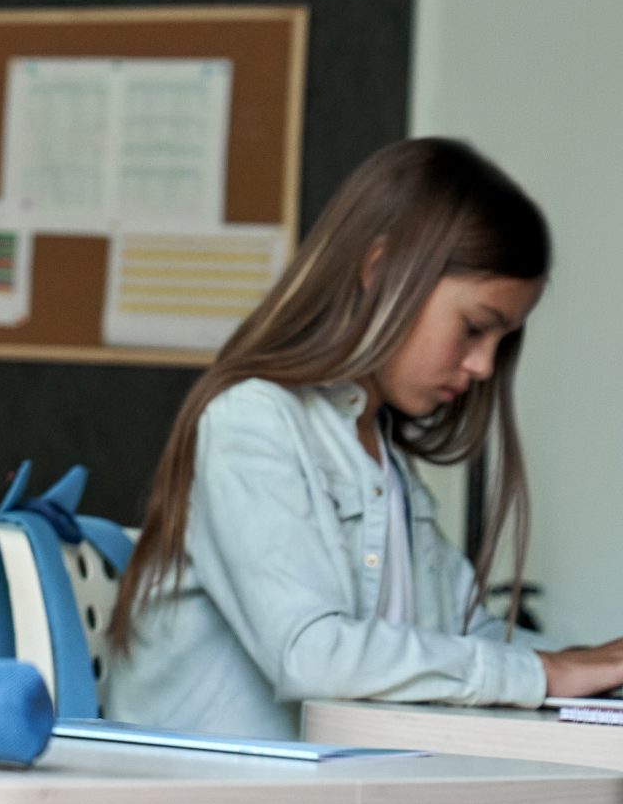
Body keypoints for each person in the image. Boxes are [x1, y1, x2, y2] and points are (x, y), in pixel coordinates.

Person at [105, 137, 623, 739]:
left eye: (501, 343)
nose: (484, 365)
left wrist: (598, 667)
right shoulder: (251, 422)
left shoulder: (385, 460)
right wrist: (544, 672)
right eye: (475, 328)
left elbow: (461, 637)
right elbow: (312, 654)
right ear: (380, 273)